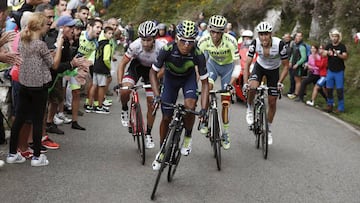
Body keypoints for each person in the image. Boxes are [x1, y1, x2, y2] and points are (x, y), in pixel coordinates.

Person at [149, 20, 209, 170]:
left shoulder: (198, 54)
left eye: (190, 42)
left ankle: (188, 136)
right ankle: (162, 150)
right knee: (166, 117)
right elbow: (153, 72)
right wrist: (156, 95)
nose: (186, 45)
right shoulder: (167, 49)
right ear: (177, 39)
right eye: (183, 41)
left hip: (188, 80)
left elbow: (205, 83)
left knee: (190, 107)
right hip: (170, 80)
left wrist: (204, 108)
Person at [7, 12, 63, 166]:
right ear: (39, 27)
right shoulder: (40, 44)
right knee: (38, 120)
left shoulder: (23, 41)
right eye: (46, 24)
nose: (48, 26)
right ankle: (37, 157)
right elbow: (53, 64)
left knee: (19, 118)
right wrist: (59, 46)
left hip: (24, 84)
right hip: (39, 87)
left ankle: (12, 153)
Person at [115, 20, 165, 149]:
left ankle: (148, 133)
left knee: (152, 103)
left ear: (154, 38)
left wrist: (154, 79)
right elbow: (122, 64)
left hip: (154, 72)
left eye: (148, 40)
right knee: (125, 91)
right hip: (137, 67)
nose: (145, 43)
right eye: (143, 40)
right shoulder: (135, 45)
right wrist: (120, 84)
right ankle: (125, 108)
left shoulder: (162, 47)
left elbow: (166, 68)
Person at [197, 15, 240, 150]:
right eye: (212, 31)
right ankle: (204, 118)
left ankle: (225, 133)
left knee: (225, 102)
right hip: (212, 66)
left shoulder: (231, 41)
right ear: (209, 30)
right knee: (207, 88)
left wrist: (231, 83)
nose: (215, 35)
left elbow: (238, 65)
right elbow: (198, 64)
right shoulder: (203, 40)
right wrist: (195, 82)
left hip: (228, 68)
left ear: (224, 32)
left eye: (218, 32)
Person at [243, 21, 290, 145]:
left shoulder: (279, 44)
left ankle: (268, 129)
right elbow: (247, 63)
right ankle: (249, 107)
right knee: (252, 87)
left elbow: (286, 66)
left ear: (270, 35)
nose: (263, 37)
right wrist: (245, 83)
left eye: (266, 34)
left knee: (272, 101)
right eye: (261, 34)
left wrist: (279, 82)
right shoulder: (255, 43)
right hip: (260, 67)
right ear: (258, 35)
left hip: (274, 71)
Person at [87, 26, 114, 114]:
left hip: (96, 67)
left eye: (112, 34)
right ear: (105, 33)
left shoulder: (99, 43)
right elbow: (106, 59)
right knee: (102, 87)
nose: (111, 35)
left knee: (94, 85)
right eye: (109, 33)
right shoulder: (107, 44)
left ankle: (89, 105)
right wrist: (109, 67)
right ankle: (99, 106)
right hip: (102, 68)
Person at [323, 29, 348, 113]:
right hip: (330, 70)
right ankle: (330, 104)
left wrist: (338, 54)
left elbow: (345, 57)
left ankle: (341, 107)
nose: (334, 38)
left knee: (339, 89)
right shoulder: (329, 46)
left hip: (339, 71)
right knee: (329, 88)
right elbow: (323, 54)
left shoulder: (342, 46)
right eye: (333, 36)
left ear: (338, 37)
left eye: (336, 36)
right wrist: (327, 53)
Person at [288, 32, 307, 100]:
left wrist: (297, 64)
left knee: (298, 80)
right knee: (295, 79)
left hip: (298, 66)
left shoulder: (302, 46)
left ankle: (297, 94)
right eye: (297, 36)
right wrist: (290, 61)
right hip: (294, 64)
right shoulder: (295, 45)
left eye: (299, 36)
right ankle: (296, 93)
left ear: (301, 38)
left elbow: (303, 57)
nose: (298, 38)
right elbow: (293, 54)